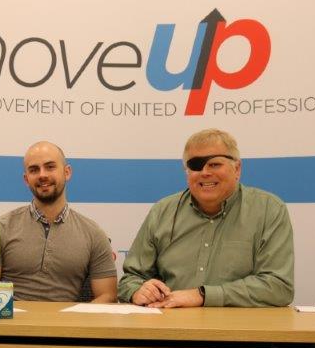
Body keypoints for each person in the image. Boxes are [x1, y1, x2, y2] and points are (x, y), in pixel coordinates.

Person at [118, 128, 294, 308]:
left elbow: (278, 286)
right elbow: (131, 279)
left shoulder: (269, 210)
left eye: (215, 164)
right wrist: (138, 291)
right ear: (187, 172)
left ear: (237, 168)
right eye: (196, 165)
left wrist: (202, 295)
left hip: (242, 331)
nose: (205, 172)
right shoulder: (162, 211)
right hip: (171, 328)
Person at [0, 141, 117, 303]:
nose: (42, 175)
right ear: (26, 179)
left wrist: (74, 323)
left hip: (67, 325)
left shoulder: (93, 234)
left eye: (50, 167)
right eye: (34, 170)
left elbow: (107, 296)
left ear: (67, 172)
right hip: (12, 325)